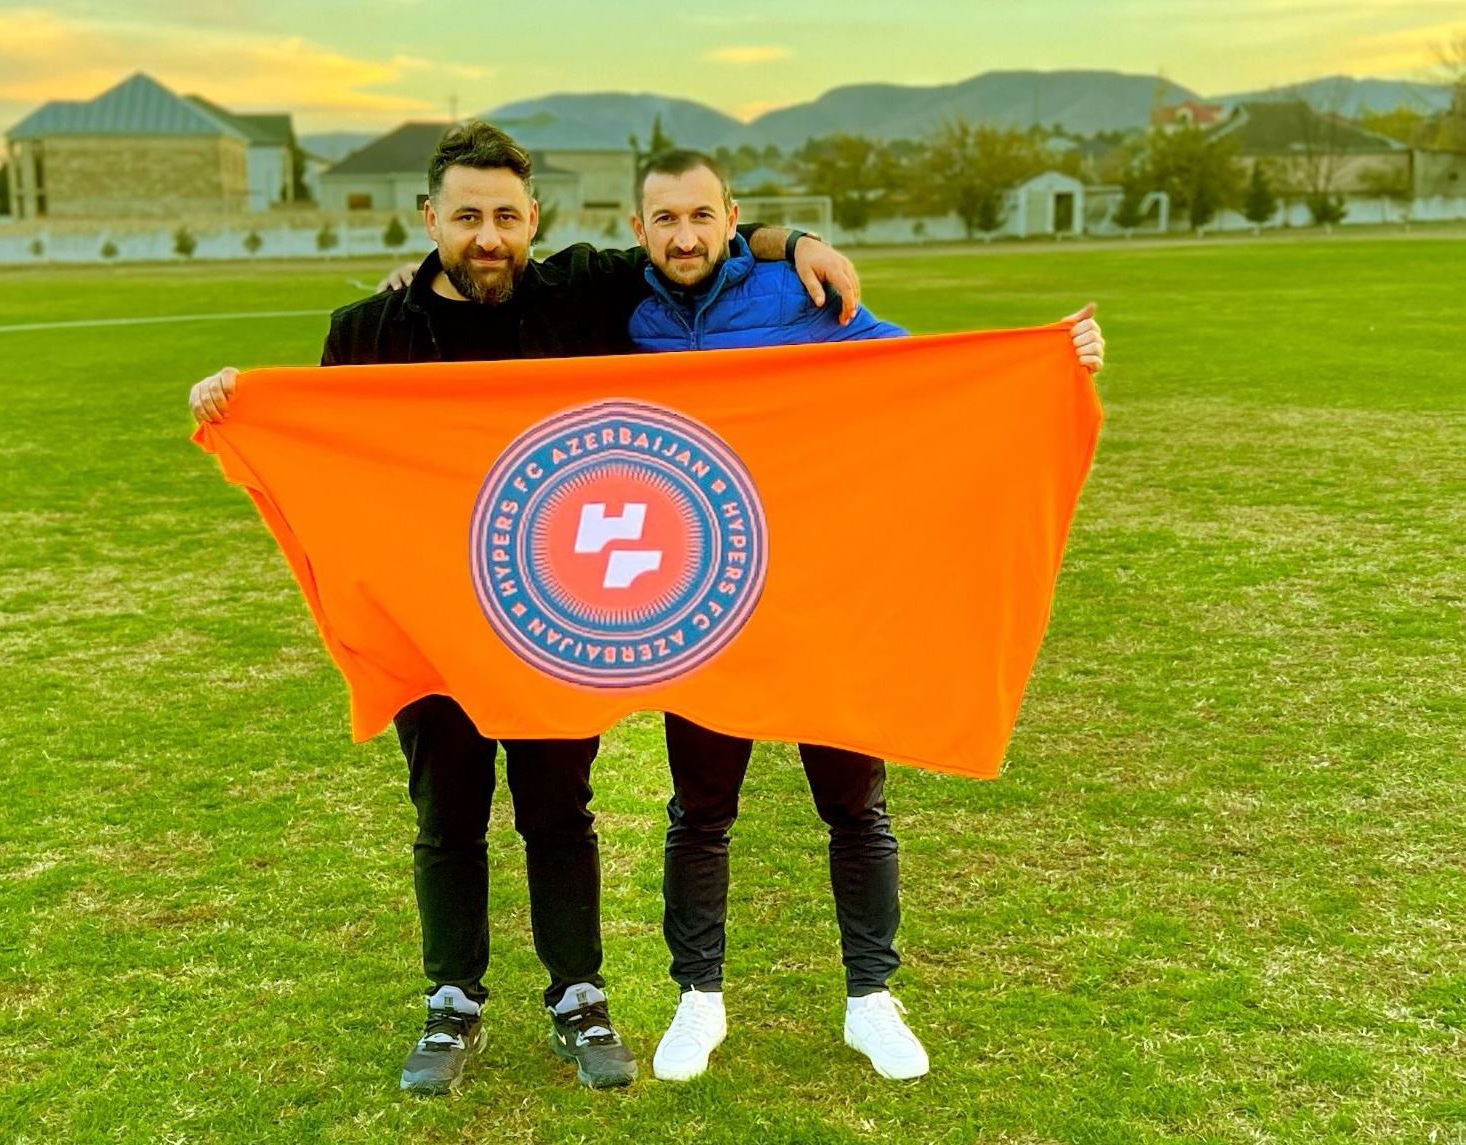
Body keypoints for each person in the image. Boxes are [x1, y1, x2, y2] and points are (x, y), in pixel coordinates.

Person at [188, 121, 864, 1096]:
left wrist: (795, 241)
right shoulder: (366, 332)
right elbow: (329, 457)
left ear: (534, 218)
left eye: (506, 216)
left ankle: (579, 996)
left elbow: (690, 242)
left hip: (545, 617)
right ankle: (452, 1000)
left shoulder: (577, 292)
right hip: (428, 624)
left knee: (558, 812)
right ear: (430, 219)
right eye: (468, 217)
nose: (489, 236)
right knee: (447, 817)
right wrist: (238, 399)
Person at [617, 149, 1104, 1083]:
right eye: (664, 219)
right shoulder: (617, 314)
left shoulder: (796, 294)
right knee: (701, 811)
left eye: (701, 216)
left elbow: (921, 374)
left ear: (731, 221)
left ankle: (871, 996)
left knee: (853, 804)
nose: (683, 236)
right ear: (637, 229)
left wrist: (1048, 363)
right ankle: (698, 996)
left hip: (824, 591)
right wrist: (413, 276)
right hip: (705, 603)